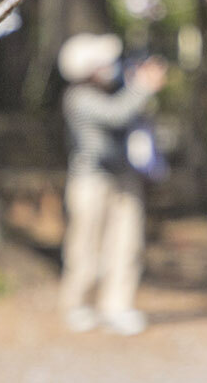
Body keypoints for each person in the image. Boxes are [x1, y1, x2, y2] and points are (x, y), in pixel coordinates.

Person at [57, 32, 167, 335]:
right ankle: (78, 304)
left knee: (126, 244)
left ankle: (117, 306)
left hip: (124, 178)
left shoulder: (117, 91)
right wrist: (142, 87)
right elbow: (116, 115)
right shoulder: (78, 98)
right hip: (91, 180)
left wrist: (138, 84)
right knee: (85, 246)